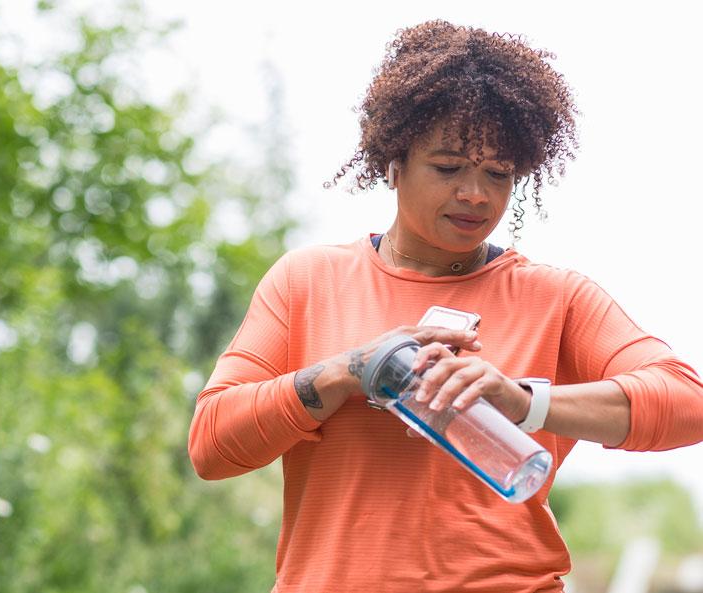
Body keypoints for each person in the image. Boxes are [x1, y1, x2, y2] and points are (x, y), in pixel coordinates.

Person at [187, 20, 703, 593]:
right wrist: (344, 373)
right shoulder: (306, 281)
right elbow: (212, 444)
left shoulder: (555, 296)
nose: (476, 195)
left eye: (498, 174)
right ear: (393, 161)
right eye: (448, 167)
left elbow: (688, 401)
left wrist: (522, 401)